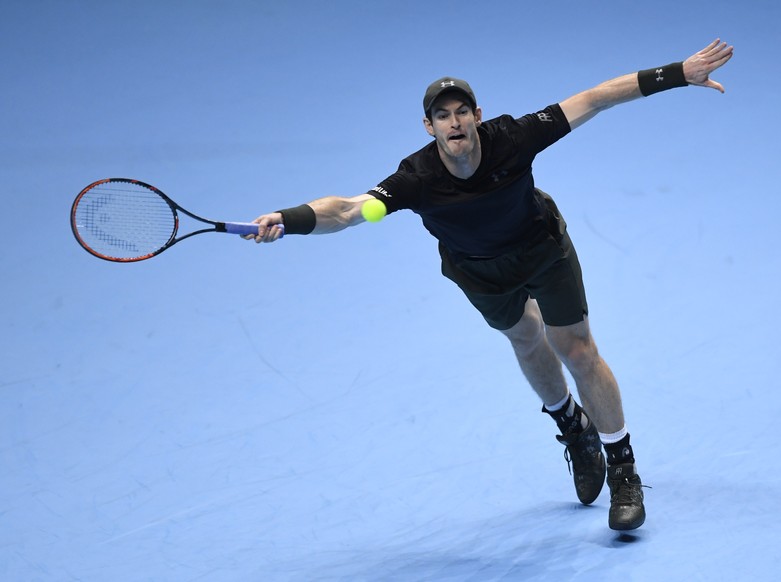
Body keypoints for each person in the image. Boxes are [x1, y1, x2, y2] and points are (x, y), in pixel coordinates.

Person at [246, 39, 733, 531]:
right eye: (442, 115)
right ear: (429, 126)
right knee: (525, 337)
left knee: (578, 350)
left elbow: (594, 97)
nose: (454, 121)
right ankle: (572, 428)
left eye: (461, 111)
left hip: (540, 248)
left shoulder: (514, 138)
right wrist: (290, 219)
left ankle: (623, 469)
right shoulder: (415, 178)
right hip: (478, 270)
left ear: (477, 115)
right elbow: (348, 209)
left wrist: (677, 73)